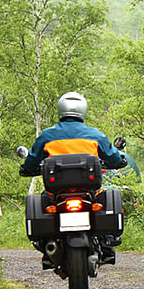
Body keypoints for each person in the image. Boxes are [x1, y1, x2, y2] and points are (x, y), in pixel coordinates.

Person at [21, 92, 126, 266]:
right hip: (89, 190)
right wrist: (119, 161)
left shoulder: (47, 136)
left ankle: (48, 248)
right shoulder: (95, 135)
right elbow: (112, 157)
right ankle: (107, 246)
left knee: (44, 203)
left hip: (56, 192)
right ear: (82, 110)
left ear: (61, 110)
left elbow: (31, 160)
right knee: (103, 200)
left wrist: (27, 168)